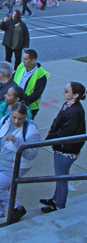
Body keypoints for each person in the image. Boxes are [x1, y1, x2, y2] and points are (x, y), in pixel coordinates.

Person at [0, 102, 41, 224]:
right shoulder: (5, 120)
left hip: (14, 166)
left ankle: (17, 208)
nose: (16, 121)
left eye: (20, 118)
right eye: (14, 117)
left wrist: (16, 141)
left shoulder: (31, 130)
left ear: (25, 116)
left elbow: (31, 154)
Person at [40, 82, 86, 214]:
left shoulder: (75, 112)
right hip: (62, 148)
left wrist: (49, 138)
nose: (63, 92)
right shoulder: (68, 105)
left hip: (66, 151)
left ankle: (59, 205)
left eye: (66, 90)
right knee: (59, 176)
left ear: (76, 95)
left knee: (61, 178)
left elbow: (64, 133)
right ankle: (55, 199)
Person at [0, 87, 30, 200]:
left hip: (7, 149)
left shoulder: (24, 112)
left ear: (17, 99)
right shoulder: (1, 107)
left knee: (3, 174)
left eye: (9, 95)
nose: (5, 96)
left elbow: (24, 133)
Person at [13, 49, 49, 119]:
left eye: (26, 59)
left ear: (33, 60)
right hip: (15, 102)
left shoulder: (41, 75)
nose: (23, 61)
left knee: (24, 126)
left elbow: (37, 94)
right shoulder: (21, 66)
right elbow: (13, 79)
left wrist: (23, 101)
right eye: (23, 58)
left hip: (29, 107)